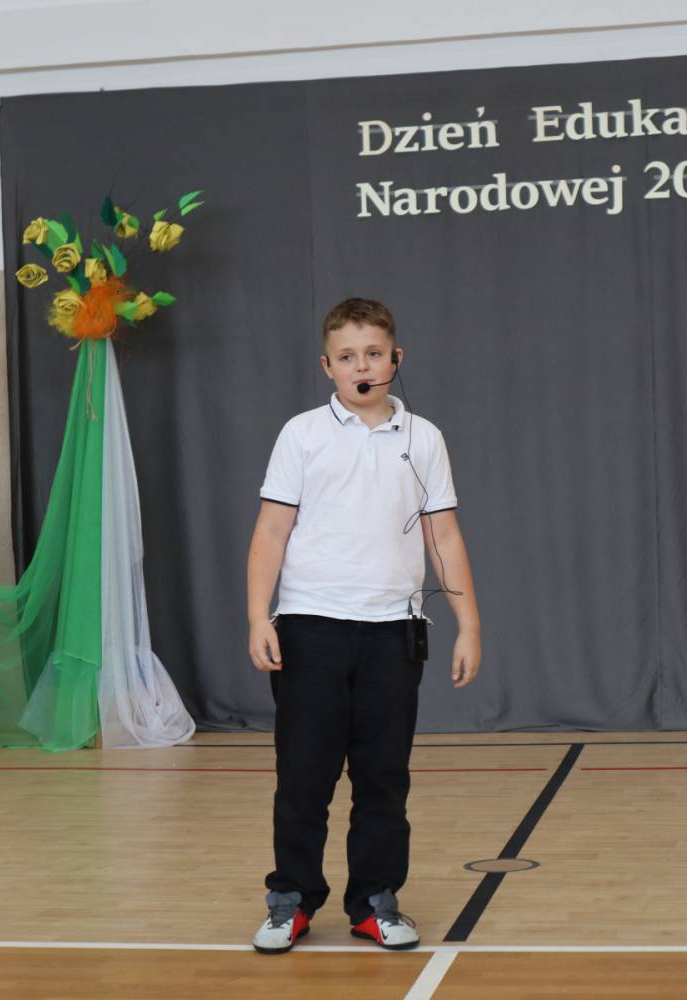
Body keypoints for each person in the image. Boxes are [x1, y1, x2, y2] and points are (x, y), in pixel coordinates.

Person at [247, 297, 481, 954]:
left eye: (374, 354)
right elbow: (271, 531)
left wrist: (468, 625)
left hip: (392, 634)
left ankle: (375, 902)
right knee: (304, 777)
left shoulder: (423, 438)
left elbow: (444, 536)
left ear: (395, 360)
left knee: (383, 778)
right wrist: (258, 616)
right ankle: (291, 900)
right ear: (327, 367)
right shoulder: (301, 435)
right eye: (347, 357)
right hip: (310, 629)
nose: (362, 366)